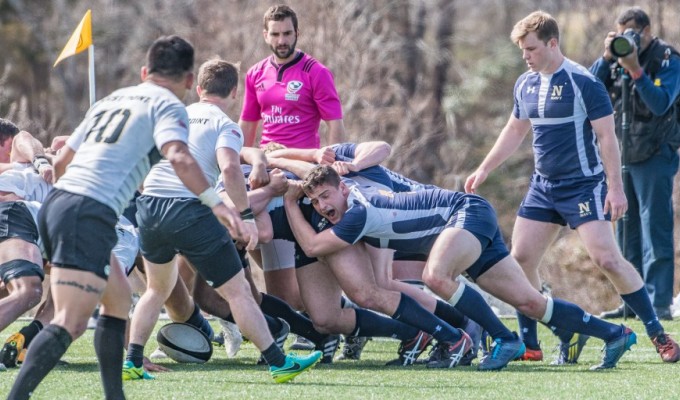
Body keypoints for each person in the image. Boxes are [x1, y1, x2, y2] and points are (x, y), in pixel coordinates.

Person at [7, 35, 253, 399]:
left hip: (65, 205)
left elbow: (61, 160)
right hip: (85, 213)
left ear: (143, 72)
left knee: (119, 298)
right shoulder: (169, 108)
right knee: (71, 322)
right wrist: (217, 205)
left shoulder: (111, 99)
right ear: (189, 81)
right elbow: (181, 159)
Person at [464, 11, 679, 365]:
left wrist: (615, 188)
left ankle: (658, 334)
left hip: (583, 186)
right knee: (520, 260)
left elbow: (607, 137)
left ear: (552, 43)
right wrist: (484, 168)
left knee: (607, 259)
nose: (526, 57)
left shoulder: (584, 82)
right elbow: (516, 130)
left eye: (531, 49)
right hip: (542, 186)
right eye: (522, 51)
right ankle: (530, 344)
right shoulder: (525, 83)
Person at [288, 165, 639, 371]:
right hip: (470, 218)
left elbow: (311, 246)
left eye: (326, 196)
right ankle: (615, 335)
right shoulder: (361, 211)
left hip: (465, 212)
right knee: (531, 303)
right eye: (314, 201)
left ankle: (501, 338)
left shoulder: (357, 212)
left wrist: (291, 202)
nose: (321, 206)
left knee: (436, 276)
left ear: (344, 189)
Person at [126, 57, 322, 384]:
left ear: (199, 88)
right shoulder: (224, 124)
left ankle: (132, 361)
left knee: (155, 290)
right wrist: (243, 216)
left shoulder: (173, 117)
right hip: (189, 210)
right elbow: (230, 169)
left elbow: (145, 166)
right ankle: (279, 362)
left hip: (149, 206)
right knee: (239, 293)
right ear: (234, 91)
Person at [590, 7, 680, 322]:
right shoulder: (614, 59)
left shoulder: (667, 58)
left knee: (654, 228)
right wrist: (605, 59)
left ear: (644, 32)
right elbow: (586, 90)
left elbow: (660, 103)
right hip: (622, 155)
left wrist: (637, 71)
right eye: (620, 34)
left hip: (656, 153)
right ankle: (632, 301)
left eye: (630, 34)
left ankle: (658, 304)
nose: (626, 40)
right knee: (625, 232)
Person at [239, 4, 345, 149]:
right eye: (275, 34)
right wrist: (241, 162)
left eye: (287, 33)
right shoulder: (255, 73)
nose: (282, 41)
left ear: (297, 33)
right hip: (267, 161)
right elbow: (247, 124)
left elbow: (335, 123)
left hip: (303, 163)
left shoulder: (317, 72)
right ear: (266, 36)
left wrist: (334, 164)